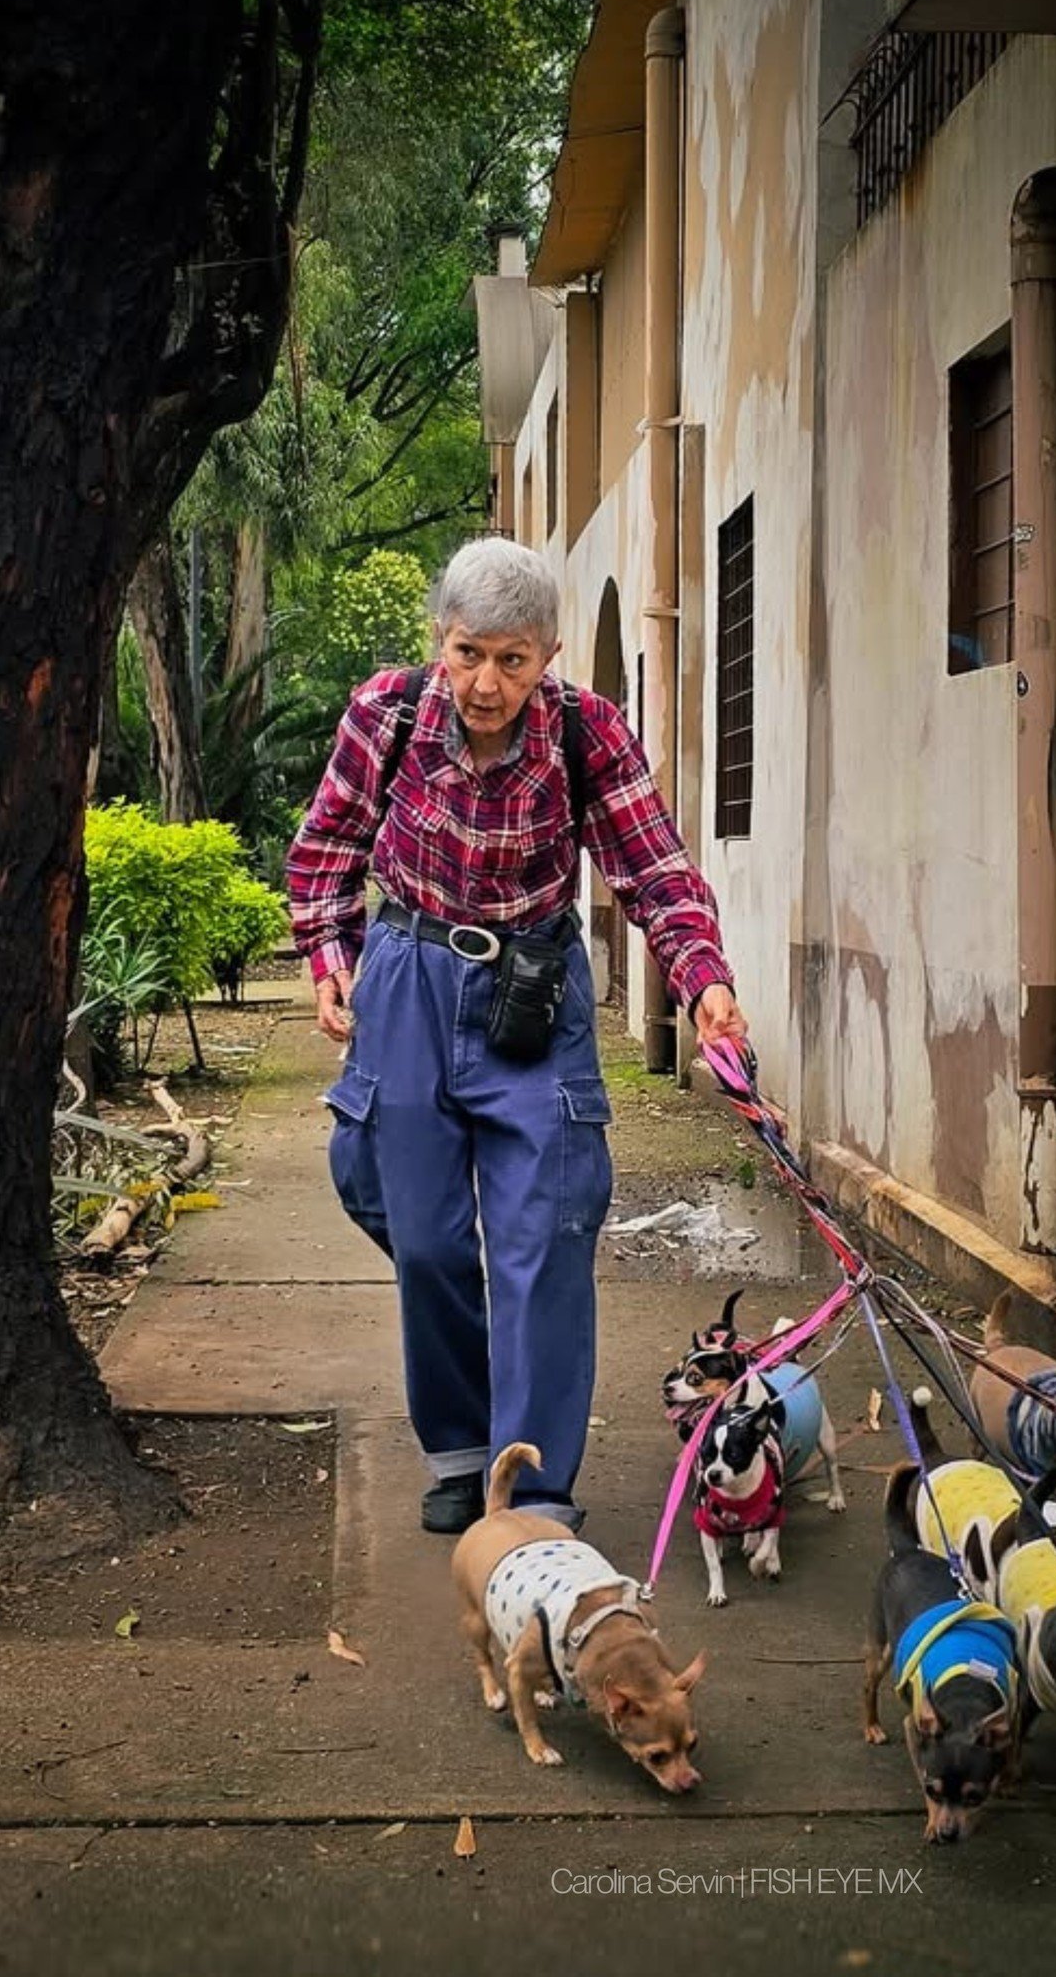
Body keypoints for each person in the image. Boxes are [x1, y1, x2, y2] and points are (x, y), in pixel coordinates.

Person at [287, 538, 747, 1534]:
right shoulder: (387, 714)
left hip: (534, 994)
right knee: (426, 1235)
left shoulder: (588, 732)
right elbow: (326, 850)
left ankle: (533, 1492)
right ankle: (462, 1451)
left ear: (548, 654)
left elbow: (655, 869)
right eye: (467, 653)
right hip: (407, 976)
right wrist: (330, 955)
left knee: (545, 1236)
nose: (486, 682)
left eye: (513, 659)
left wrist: (701, 977)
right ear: (438, 641)